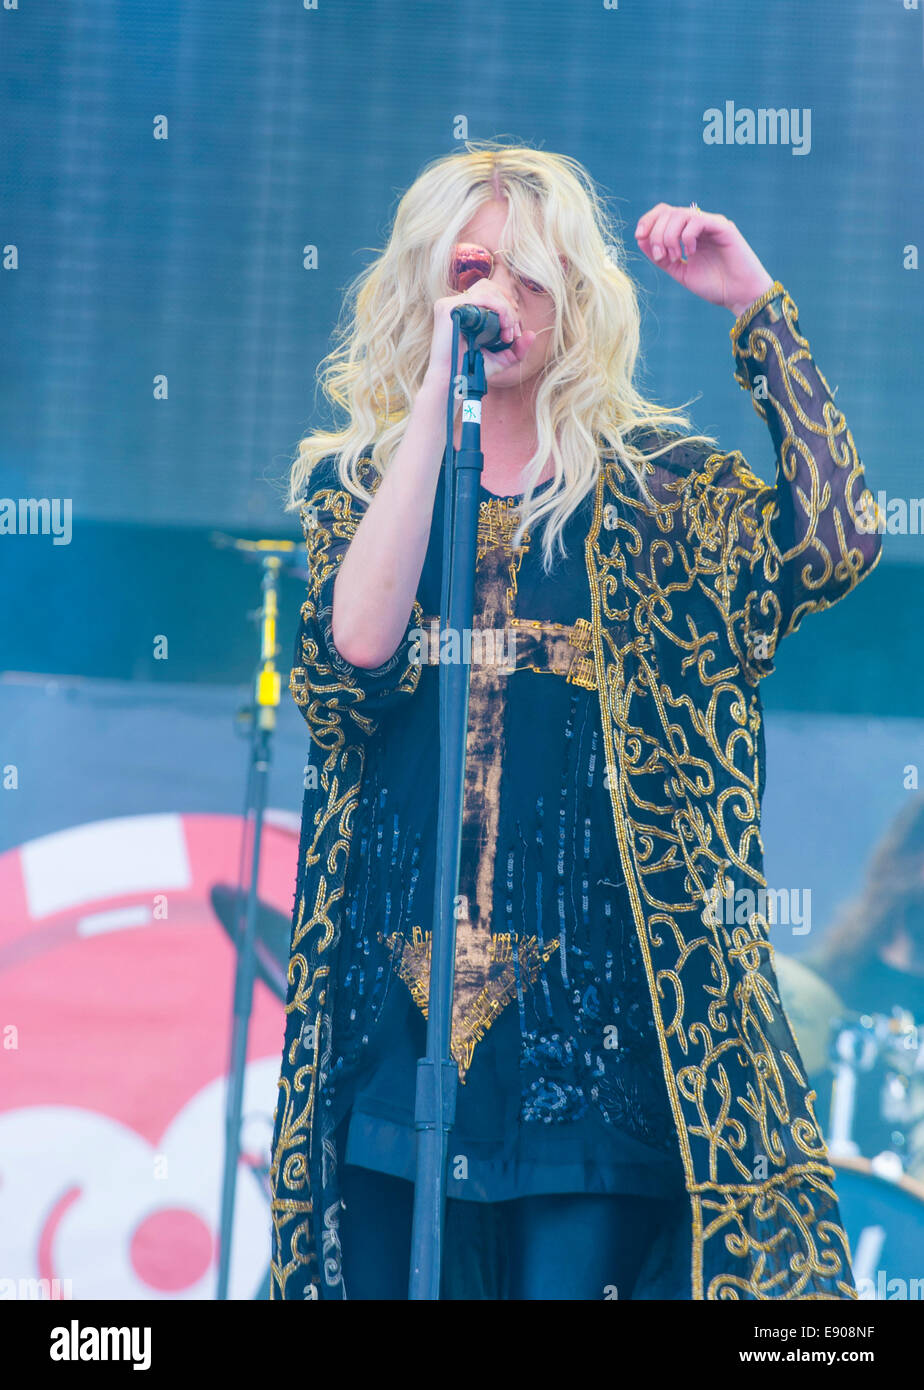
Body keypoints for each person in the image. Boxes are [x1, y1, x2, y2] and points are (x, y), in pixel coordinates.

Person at [268, 141, 882, 1301]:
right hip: (401, 1016)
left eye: (530, 277)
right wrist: (429, 404)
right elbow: (353, 655)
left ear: (577, 302)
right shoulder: (361, 485)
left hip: (604, 1033)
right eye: (471, 270)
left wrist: (759, 312)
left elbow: (834, 543)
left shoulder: (662, 490)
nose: (498, 300)